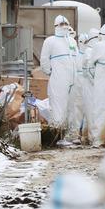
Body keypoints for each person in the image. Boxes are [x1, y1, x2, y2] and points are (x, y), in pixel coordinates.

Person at [39, 15, 78, 144]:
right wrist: (51, 72)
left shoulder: (72, 41)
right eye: (61, 24)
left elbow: (76, 58)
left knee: (71, 107)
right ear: (55, 26)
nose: (64, 25)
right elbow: (44, 60)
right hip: (59, 79)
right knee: (58, 107)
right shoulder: (50, 41)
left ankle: (69, 135)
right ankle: (58, 136)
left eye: (66, 23)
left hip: (73, 78)